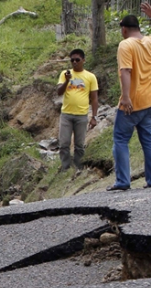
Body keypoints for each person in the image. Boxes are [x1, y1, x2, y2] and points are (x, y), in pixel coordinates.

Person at [107, 15, 151, 191]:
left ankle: (123, 181)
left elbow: (125, 70)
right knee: (148, 141)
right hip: (149, 101)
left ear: (124, 29)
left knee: (120, 138)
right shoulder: (148, 41)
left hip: (133, 102)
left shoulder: (125, 45)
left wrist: (126, 98)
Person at [56, 49, 99, 172]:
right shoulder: (65, 74)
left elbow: (94, 98)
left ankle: (78, 167)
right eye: (72, 60)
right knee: (64, 143)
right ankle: (65, 168)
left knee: (79, 145)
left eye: (77, 60)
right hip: (66, 114)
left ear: (83, 60)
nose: (74, 62)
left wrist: (94, 116)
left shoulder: (90, 77)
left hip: (81, 115)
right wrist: (67, 80)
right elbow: (59, 92)